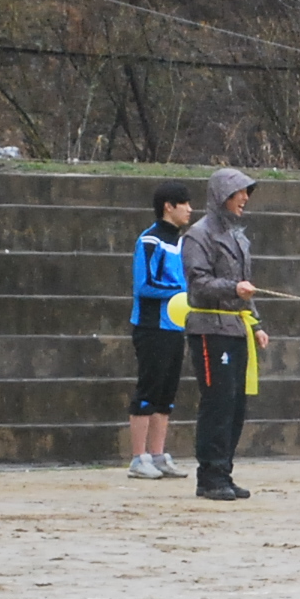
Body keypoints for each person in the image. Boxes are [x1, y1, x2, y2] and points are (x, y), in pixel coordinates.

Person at [179, 166, 269, 503]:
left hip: (236, 329)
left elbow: (247, 290)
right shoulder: (198, 235)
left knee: (235, 403)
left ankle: (224, 471)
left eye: (246, 192)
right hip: (209, 330)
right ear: (222, 196)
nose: (244, 198)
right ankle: (210, 475)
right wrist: (233, 288)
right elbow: (198, 282)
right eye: (238, 193)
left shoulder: (238, 237)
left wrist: (255, 324)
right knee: (217, 401)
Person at [126, 180, 196, 480]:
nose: (190, 209)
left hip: (175, 326)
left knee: (167, 392)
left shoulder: (182, 243)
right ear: (169, 206)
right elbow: (144, 285)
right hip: (151, 326)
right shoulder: (149, 240)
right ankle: (137, 458)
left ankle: (158, 454)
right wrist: (182, 291)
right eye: (185, 203)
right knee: (149, 389)